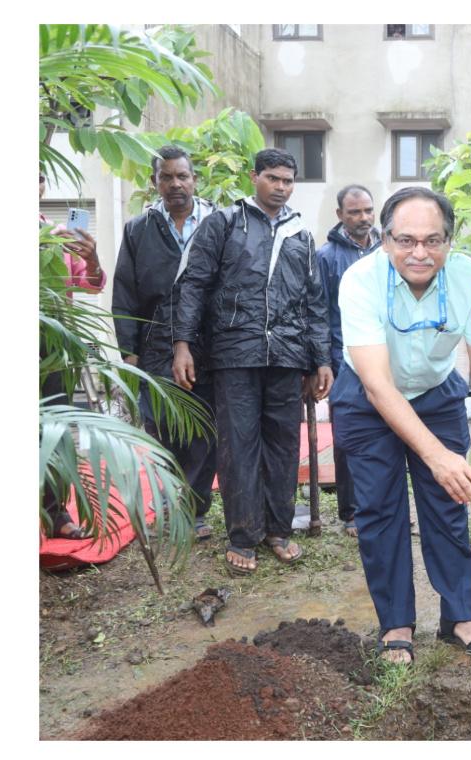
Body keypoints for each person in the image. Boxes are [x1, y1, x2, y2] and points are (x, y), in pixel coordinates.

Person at [332, 186, 471, 665]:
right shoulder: (359, 281)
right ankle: (396, 624)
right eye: (406, 240)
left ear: (450, 241)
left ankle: (460, 617)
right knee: (378, 511)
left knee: (449, 507)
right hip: (369, 403)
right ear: (384, 239)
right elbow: (378, 386)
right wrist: (438, 458)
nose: (419, 253)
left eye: (433, 241)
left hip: (435, 395)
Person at [171, 148, 333, 573]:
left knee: (283, 445)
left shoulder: (302, 234)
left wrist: (321, 359)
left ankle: (279, 530)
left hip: (287, 356)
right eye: (272, 178)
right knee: (238, 445)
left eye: (287, 181)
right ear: (254, 177)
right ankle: (243, 535)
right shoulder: (224, 224)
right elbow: (194, 285)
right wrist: (183, 344)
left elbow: (314, 302)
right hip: (234, 354)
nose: (280, 187)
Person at [111, 146, 219, 541]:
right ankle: (172, 503)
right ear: (155, 182)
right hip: (155, 342)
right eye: (166, 177)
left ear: (194, 179)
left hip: (207, 343)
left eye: (182, 176)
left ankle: (196, 510)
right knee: (161, 427)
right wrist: (129, 352)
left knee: (205, 429)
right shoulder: (139, 229)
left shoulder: (217, 223)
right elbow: (125, 291)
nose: (175, 184)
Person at [40, 173, 105, 540]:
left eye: (36, 177)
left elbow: (92, 282)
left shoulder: (59, 236)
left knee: (55, 431)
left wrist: (91, 257)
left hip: (53, 347)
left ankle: (55, 514)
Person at [316, 184, 381, 539]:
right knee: (349, 439)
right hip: (345, 364)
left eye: (368, 210)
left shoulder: (389, 251)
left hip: (386, 362)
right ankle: (351, 513)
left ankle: (385, 506)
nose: (363, 218)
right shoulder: (327, 257)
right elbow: (320, 313)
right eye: (354, 212)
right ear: (340, 215)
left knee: (389, 435)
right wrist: (323, 362)